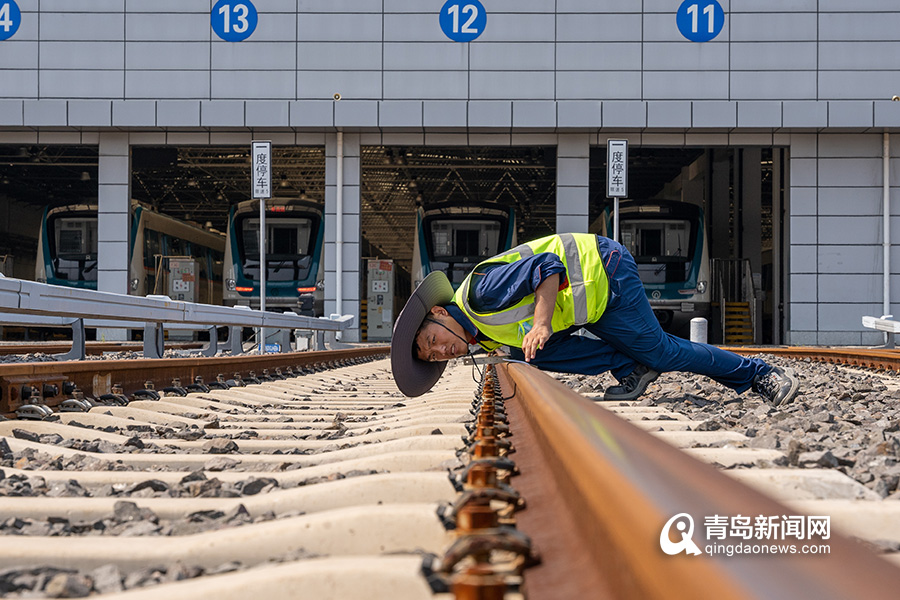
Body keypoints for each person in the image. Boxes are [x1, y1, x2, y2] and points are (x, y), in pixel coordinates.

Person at [391, 232, 799, 405]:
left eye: (432, 342)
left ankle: (760, 374)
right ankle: (629, 367)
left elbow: (548, 266)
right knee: (526, 353)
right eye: (433, 357)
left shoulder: (479, 297)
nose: (441, 353)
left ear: (439, 312)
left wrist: (541, 323)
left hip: (604, 272)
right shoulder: (481, 333)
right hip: (589, 303)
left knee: (661, 351)